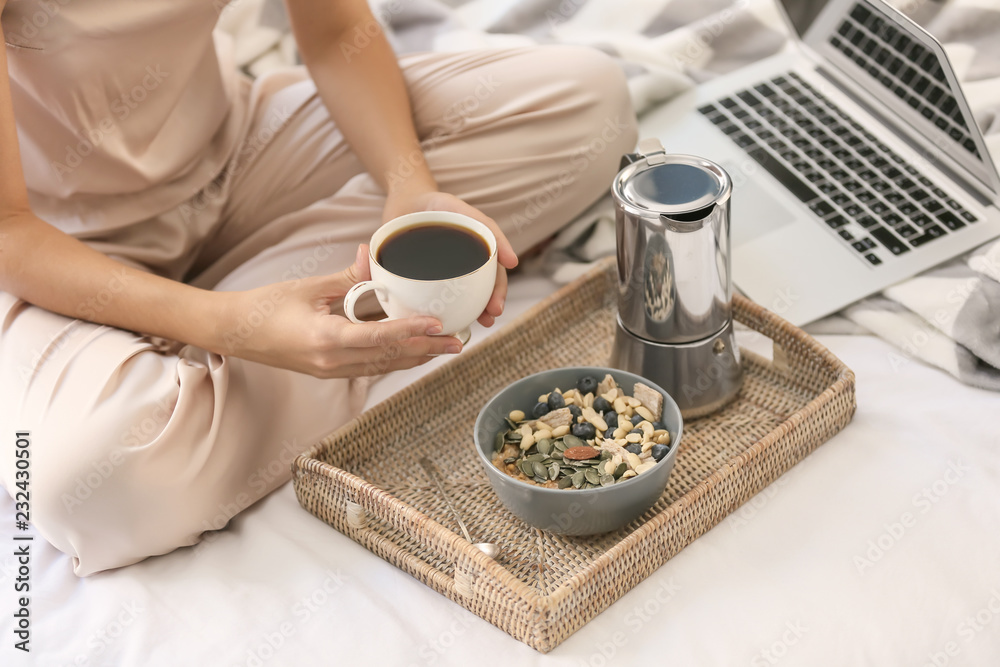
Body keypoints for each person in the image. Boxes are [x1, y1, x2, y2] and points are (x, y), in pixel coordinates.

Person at [0, 0, 637, 575]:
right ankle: (266, 335)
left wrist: (407, 189)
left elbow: (336, 33)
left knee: (589, 97)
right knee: (88, 486)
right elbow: (9, 229)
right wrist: (225, 322)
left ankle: (235, 367)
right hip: (60, 251)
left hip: (240, 158)